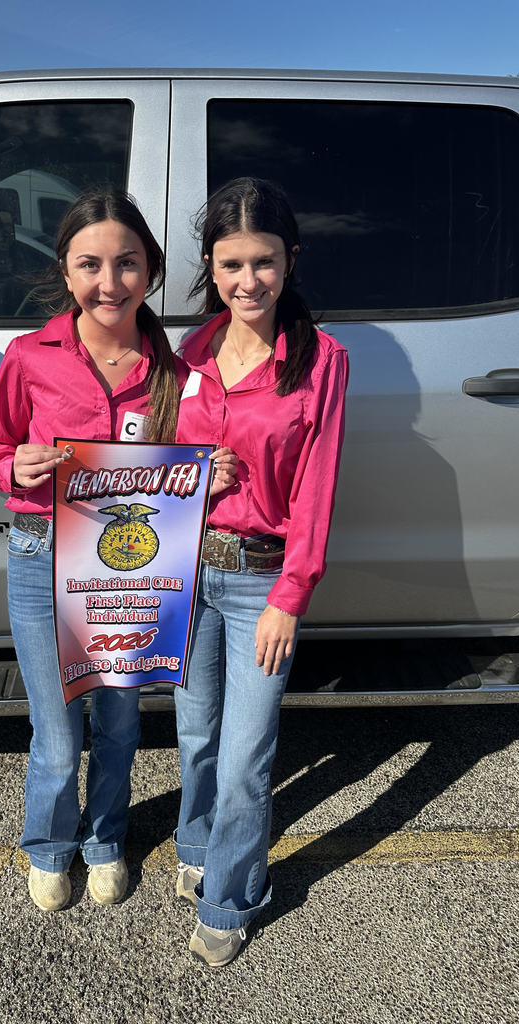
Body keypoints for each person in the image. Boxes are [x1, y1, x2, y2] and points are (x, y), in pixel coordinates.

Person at [0, 187, 186, 912]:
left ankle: (104, 841)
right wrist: (15, 466)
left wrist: (211, 473)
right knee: (58, 733)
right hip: (41, 555)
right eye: (89, 264)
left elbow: (186, 476)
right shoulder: (30, 357)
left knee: (121, 723)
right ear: (65, 271)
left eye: (126, 264)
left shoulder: (177, 371)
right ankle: (49, 845)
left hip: (131, 567)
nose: (108, 282)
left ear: (150, 270)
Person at [173, 177, 349, 966]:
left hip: (259, 584)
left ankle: (233, 894)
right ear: (211, 266)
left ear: (290, 261)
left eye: (265, 262)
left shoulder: (320, 360)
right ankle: (197, 841)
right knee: (195, 734)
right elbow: (154, 461)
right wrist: (187, 472)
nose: (249, 281)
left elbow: (317, 485)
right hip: (189, 571)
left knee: (247, 755)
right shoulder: (190, 353)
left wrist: (291, 595)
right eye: (232, 263)